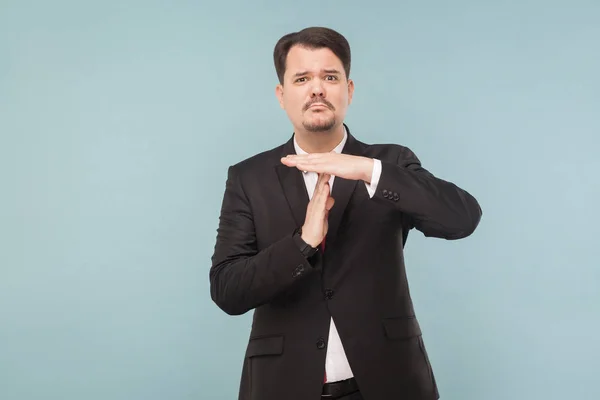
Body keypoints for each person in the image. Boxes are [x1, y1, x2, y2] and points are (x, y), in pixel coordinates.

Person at [209, 26, 482, 400]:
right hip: (282, 386)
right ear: (282, 95)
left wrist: (369, 170)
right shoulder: (248, 178)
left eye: (330, 77)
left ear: (349, 91)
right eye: (302, 78)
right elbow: (227, 290)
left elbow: (462, 218)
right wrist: (303, 242)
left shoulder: (392, 163)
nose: (317, 88)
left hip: (390, 384)